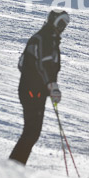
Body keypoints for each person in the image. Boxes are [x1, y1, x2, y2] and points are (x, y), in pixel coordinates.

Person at [9, 9, 70, 165]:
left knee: (32, 132)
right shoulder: (45, 38)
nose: (63, 27)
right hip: (32, 91)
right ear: (53, 22)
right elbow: (43, 64)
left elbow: (23, 64)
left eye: (65, 24)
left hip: (35, 91)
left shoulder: (46, 38)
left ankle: (15, 166)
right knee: (31, 132)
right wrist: (50, 85)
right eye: (61, 23)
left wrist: (49, 87)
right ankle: (12, 168)